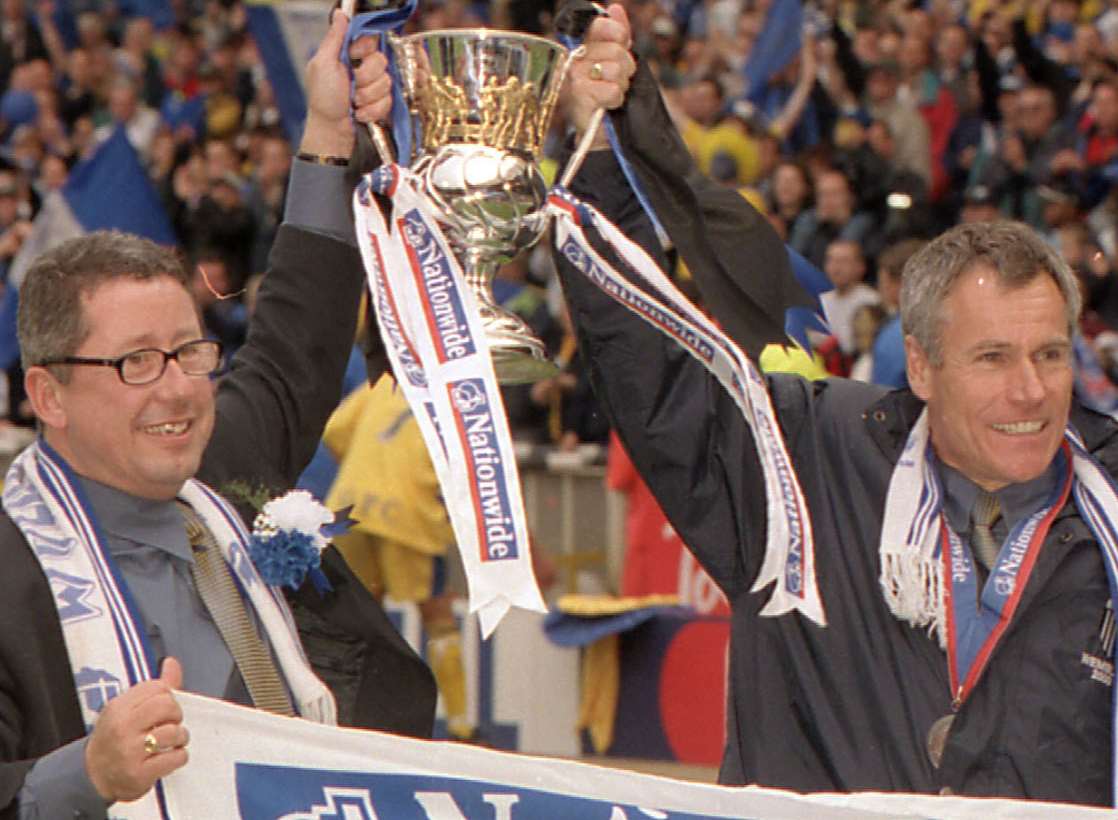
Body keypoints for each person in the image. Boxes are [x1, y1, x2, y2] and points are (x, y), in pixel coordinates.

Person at [551, 3, 1117, 805]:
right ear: (918, 365)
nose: (1030, 390)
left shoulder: (1109, 498)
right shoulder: (802, 466)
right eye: (992, 358)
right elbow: (649, 366)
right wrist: (600, 150)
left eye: (1050, 355)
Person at [0, 12, 434, 819]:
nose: (177, 390)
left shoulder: (222, 462)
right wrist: (85, 776)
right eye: (135, 363)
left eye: (191, 352)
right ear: (48, 395)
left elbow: (296, 338)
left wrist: (331, 131)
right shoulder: (8, 573)